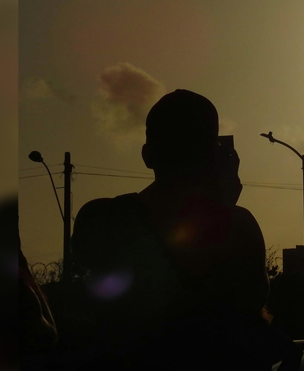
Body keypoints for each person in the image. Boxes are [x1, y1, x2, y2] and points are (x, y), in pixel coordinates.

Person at [68, 89, 270, 369]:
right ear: (216, 156)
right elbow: (237, 314)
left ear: (147, 155)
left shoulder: (100, 219)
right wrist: (220, 209)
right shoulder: (238, 225)